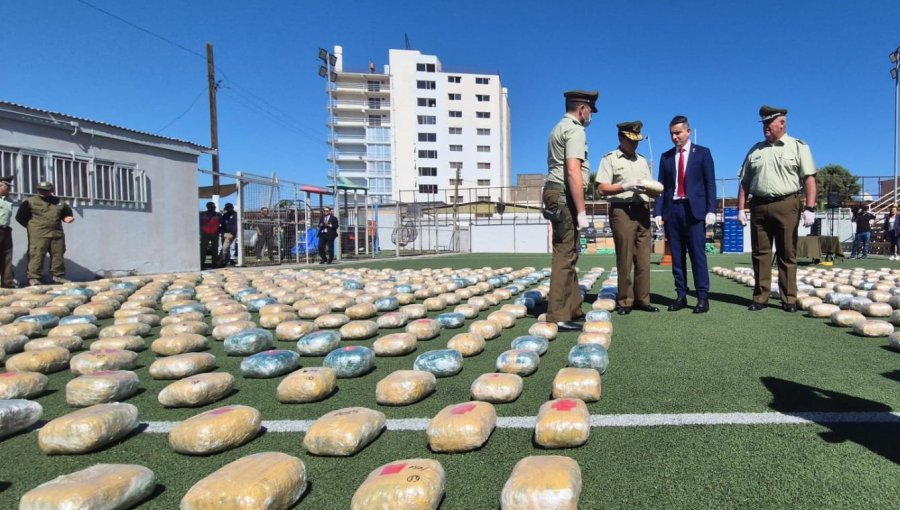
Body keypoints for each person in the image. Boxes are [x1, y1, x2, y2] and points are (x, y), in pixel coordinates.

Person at [737, 105, 817, 312]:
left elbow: (809, 178)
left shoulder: (798, 146)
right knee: (760, 254)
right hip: (759, 206)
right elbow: (744, 182)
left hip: (787, 204)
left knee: (787, 253)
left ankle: (789, 299)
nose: (764, 127)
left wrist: (810, 207)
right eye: (763, 123)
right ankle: (760, 297)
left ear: (782, 123)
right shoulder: (755, 150)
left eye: (768, 123)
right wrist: (740, 208)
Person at [542, 90, 598, 332]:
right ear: (582, 109)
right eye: (590, 112)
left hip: (554, 192)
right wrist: (582, 211)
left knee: (570, 252)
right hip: (564, 196)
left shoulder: (557, 128)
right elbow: (574, 171)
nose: (590, 117)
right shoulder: (575, 130)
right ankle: (558, 314)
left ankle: (573, 308)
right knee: (565, 255)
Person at [652, 116, 717, 314]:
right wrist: (657, 211)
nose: (674, 137)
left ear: (688, 132)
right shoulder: (666, 157)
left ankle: (702, 297)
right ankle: (680, 295)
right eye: (671, 133)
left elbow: (710, 184)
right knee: (677, 256)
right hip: (673, 211)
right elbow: (661, 187)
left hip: (694, 210)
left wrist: (711, 210)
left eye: (678, 133)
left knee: (698, 255)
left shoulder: (703, 153)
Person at [597, 121, 660, 315]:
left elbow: (649, 187)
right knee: (624, 258)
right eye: (631, 140)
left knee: (643, 259)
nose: (635, 144)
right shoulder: (610, 159)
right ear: (620, 138)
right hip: (622, 210)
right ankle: (625, 301)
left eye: (637, 141)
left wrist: (654, 190)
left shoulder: (642, 160)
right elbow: (601, 188)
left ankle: (643, 300)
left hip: (642, 210)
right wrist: (625, 186)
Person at [15, 181, 74, 285]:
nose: (42, 192)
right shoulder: (30, 202)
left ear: (51, 190)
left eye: (45, 190)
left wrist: (67, 218)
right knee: (36, 254)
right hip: (39, 234)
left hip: (56, 233)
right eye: (40, 190)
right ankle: (34, 277)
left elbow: (66, 213)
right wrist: (32, 228)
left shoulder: (59, 202)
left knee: (58, 254)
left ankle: (58, 276)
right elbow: (20, 217)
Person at [0, 176, 16, 288]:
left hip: (6, 230)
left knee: (7, 255)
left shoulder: (8, 200)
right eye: (7, 187)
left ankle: (7, 282)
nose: (9, 189)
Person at [199, 202, 221, 270]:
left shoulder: (218, 214)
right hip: (205, 234)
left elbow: (221, 223)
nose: (213, 208)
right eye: (211, 207)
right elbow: (199, 223)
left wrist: (218, 231)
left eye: (214, 207)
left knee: (215, 249)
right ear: (208, 207)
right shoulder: (202, 214)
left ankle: (214, 264)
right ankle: (202, 264)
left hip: (215, 234)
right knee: (203, 249)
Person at [218, 203, 238, 267]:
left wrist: (233, 233)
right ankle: (226, 261)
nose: (228, 209)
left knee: (225, 248)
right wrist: (221, 231)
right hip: (224, 233)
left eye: (229, 207)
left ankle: (221, 261)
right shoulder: (225, 215)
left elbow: (235, 225)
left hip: (231, 233)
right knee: (224, 248)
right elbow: (221, 224)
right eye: (227, 207)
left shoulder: (235, 215)